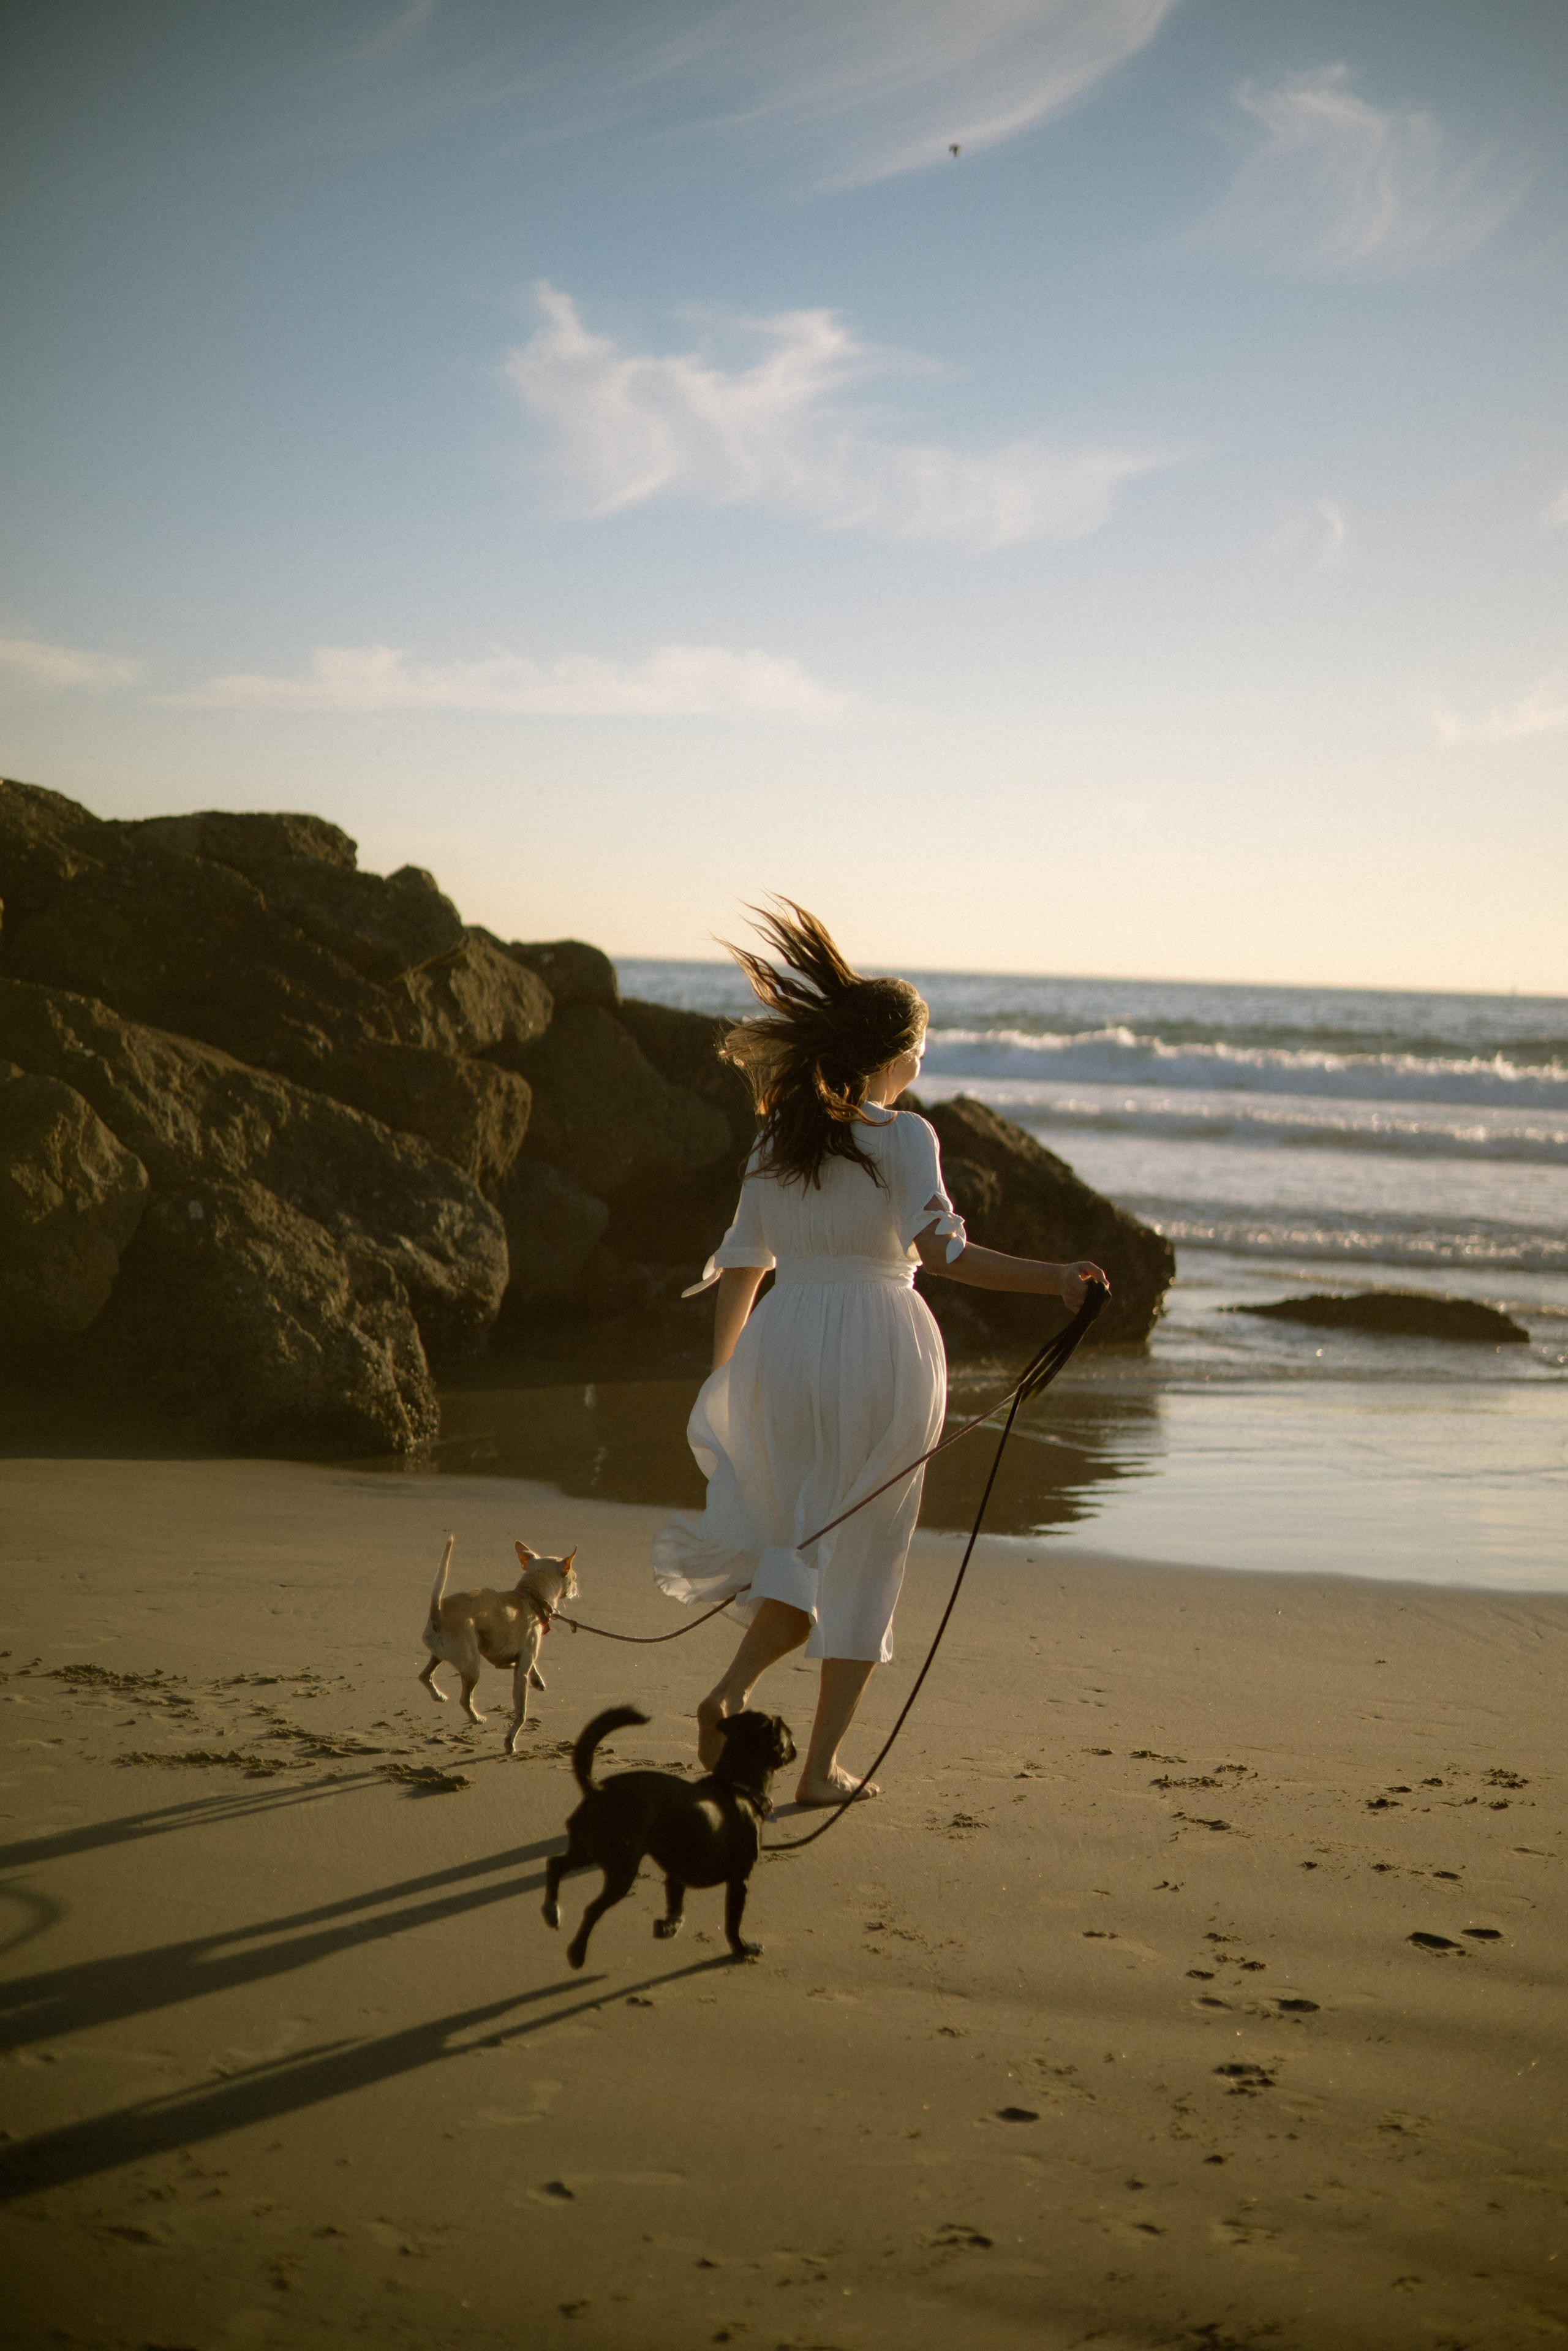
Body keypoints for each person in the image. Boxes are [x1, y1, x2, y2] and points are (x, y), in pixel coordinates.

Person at [651, 905, 1109, 1808]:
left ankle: (731, 1689)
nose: (923, 1068)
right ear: (895, 1054)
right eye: (922, 1052)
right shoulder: (906, 1136)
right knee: (864, 1553)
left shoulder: (778, 1134)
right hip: (878, 1348)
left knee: (801, 1537)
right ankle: (817, 1769)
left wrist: (728, 1375)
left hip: (781, 1346)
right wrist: (1056, 1277)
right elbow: (943, 1254)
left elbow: (744, 1261)